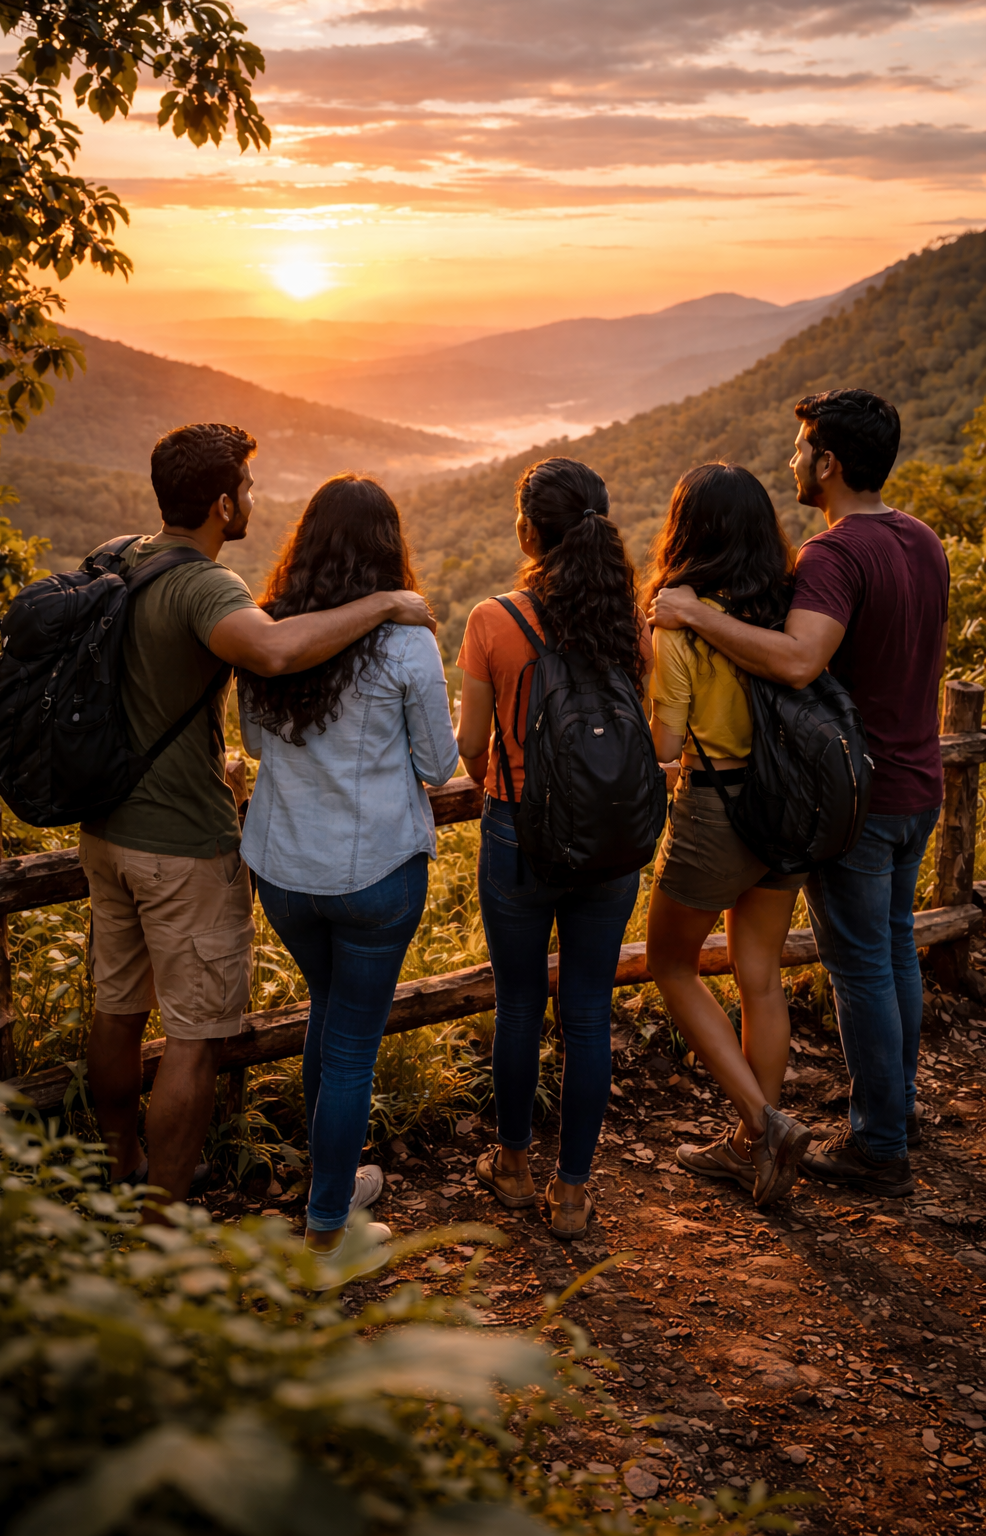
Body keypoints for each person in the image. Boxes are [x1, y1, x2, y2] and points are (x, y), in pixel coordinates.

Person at [80, 426, 435, 1221]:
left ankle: (120, 1167)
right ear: (222, 501)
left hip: (105, 830)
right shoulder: (207, 586)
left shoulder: (121, 555)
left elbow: (238, 717)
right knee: (195, 1037)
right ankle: (162, 1221)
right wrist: (385, 601)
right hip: (179, 839)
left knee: (117, 1008)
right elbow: (272, 655)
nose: (252, 497)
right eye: (245, 484)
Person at [650, 389, 949, 1198]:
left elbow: (795, 662)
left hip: (856, 794)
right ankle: (895, 1110)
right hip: (921, 782)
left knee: (862, 967)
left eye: (801, 448)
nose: (792, 461)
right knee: (891, 950)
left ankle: (880, 1143)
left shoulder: (834, 556)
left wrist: (690, 614)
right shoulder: (921, 538)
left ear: (830, 463)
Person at [238, 474, 458, 1265]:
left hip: (286, 870)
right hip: (374, 873)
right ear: (388, 546)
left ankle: (332, 1183)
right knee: (351, 1046)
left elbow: (258, 748)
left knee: (328, 1018)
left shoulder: (264, 632)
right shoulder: (407, 640)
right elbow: (439, 765)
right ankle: (328, 1226)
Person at [454, 456, 651, 1240]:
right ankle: (572, 1193)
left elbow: (469, 742)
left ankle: (511, 1166)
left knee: (519, 1007)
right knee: (590, 1013)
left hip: (517, 832)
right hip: (610, 840)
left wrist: (501, 776)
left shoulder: (493, 620)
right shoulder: (626, 621)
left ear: (527, 531)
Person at [643, 463, 813, 1206]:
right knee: (761, 975)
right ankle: (752, 1147)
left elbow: (667, 746)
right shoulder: (789, 605)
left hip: (717, 808)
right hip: (787, 806)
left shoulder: (680, 621)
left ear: (688, 528)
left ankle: (761, 1123)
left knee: (672, 965)